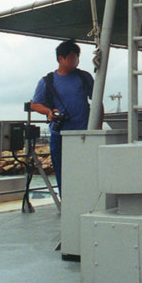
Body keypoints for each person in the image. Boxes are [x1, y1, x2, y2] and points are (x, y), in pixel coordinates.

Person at [31, 39, 94, 195]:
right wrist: (49, 112)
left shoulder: (84, 77)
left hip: (84, 134)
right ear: (61, 59)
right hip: (59, 135)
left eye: (77, 57)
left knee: (86, 171)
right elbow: (35, 104)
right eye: (72, 57)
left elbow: (97, 102)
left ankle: (84, 200)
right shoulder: (47, 81)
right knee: (62, 171)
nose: (75, 61)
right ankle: (67, 203)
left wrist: (96, 129)